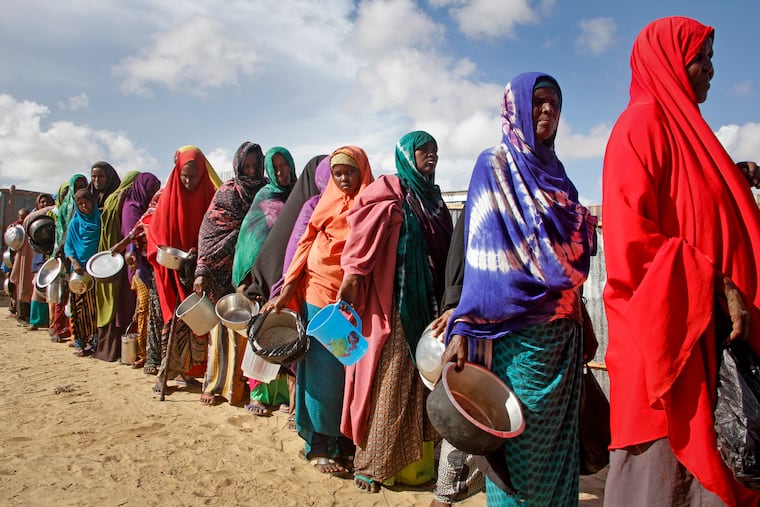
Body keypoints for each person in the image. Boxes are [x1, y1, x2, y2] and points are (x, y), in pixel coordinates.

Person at [601, 17, 760, 507]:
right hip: (666, 348)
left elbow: (693, 208)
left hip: (710, 343)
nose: (710, 69)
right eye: (701, 57)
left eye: (712, 58)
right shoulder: (641, 125)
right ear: (669, 60)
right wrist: (713, 279)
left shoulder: (689, 133)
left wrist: (735, 179)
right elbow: (632, 244)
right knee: (664, 480)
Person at [443, 73, 598, 506]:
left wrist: (580, 315)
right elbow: (483, 259)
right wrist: (463, 328)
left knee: (560, 451)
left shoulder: (559, 175)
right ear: (515, 109)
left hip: (563, 336)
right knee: (521, 453)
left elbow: (567, 263)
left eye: (555, 103)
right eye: (539, 101)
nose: (548, 110)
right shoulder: (493, 165)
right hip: (515, 338)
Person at [337, 132, 453, 493]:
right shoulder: (390, 192)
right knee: (392, 381)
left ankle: (416, 467)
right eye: (423, 151)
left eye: (434, 151)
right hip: (396, 305)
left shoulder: (434, 201)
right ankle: (372, 464)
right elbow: (360, 239)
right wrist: (351, 278)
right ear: (407, 154)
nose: (430, 156)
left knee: (425, 383)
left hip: (431, 306)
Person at [263, 146, 374, 474]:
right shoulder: (321, 205)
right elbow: (303, 246)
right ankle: (317, 446)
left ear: (363, 171)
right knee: (323, 376)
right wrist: (286, 291)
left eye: (349, 172)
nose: (343, 179)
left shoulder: (370, 205)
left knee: (349, 375)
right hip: (319, 301)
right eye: (337, 173)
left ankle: (343, 444)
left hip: (354, 305)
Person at [194, 141, 265, 406]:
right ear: (237, 165)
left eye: (254, 166)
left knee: (248, 331)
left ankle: (242, 388)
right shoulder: (227, 193)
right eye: (245, 165)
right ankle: (214, 386)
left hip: (252, 271)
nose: (250, 171)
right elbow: (210, 232)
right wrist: (202, 268)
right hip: (221, 271)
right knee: (220, 332)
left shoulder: (266, 191)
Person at [146, 146, 220, 392]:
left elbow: (214, 232)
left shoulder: (210, 196)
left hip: (199, 268)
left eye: (194, 176)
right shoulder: (168, 196)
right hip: (172, 268)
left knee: (197, 321)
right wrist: (169, 255)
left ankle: (189, 371)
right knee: (174, 320)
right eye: (184, 176)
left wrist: (199, 258)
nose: (188, 181)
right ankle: (165, 373)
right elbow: (155, 233)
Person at [231, 146, 296, 415]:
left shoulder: (301, 196)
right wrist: (244, 278)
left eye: (284, 165)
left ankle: (281, 394)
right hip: (263, 280)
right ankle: (257, 393)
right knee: (262, 334)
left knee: (286, 335)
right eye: (275, 167)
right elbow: (249, 238)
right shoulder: (264, 196)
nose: (281, 171)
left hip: (289, 278)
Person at [94, 171, 139, 362]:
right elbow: (129, 231)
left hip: (110, 259)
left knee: (115, 302)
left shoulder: (115, 199)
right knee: (124, 303)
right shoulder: (127, 204)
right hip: (121, 260)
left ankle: (109, 349)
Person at [49, 175, 88, 343]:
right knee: (63, 292)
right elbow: (64, 231)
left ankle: (69, 330)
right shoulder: (70, 206)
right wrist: (62, 251)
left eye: (83, 185)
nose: (80, 188)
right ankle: (57, 328)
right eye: (77, 185)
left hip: (75, 253)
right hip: (66, 253)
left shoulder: (85, 204)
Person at [64, 189, 101, 356]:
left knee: (93, 308)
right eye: (80, 204)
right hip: (78, 272)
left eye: (86, 202)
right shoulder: (75, 223)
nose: (84, 206)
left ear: (92, 202)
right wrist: (75, 262)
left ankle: (94, 342)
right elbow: (68, 246)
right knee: (78, 308)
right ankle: (79, 341)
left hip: (94, 270)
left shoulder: (99, 220)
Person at [11, 194, 55, 326]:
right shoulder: (32, 218)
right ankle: (27, 317)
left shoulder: (53, 215)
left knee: (43, 287)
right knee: (28, 286)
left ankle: (43, 320)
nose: (45, 204)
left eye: (48, 202)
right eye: (42, 202)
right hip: (32, 255)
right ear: (37, 204)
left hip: (46, 254)